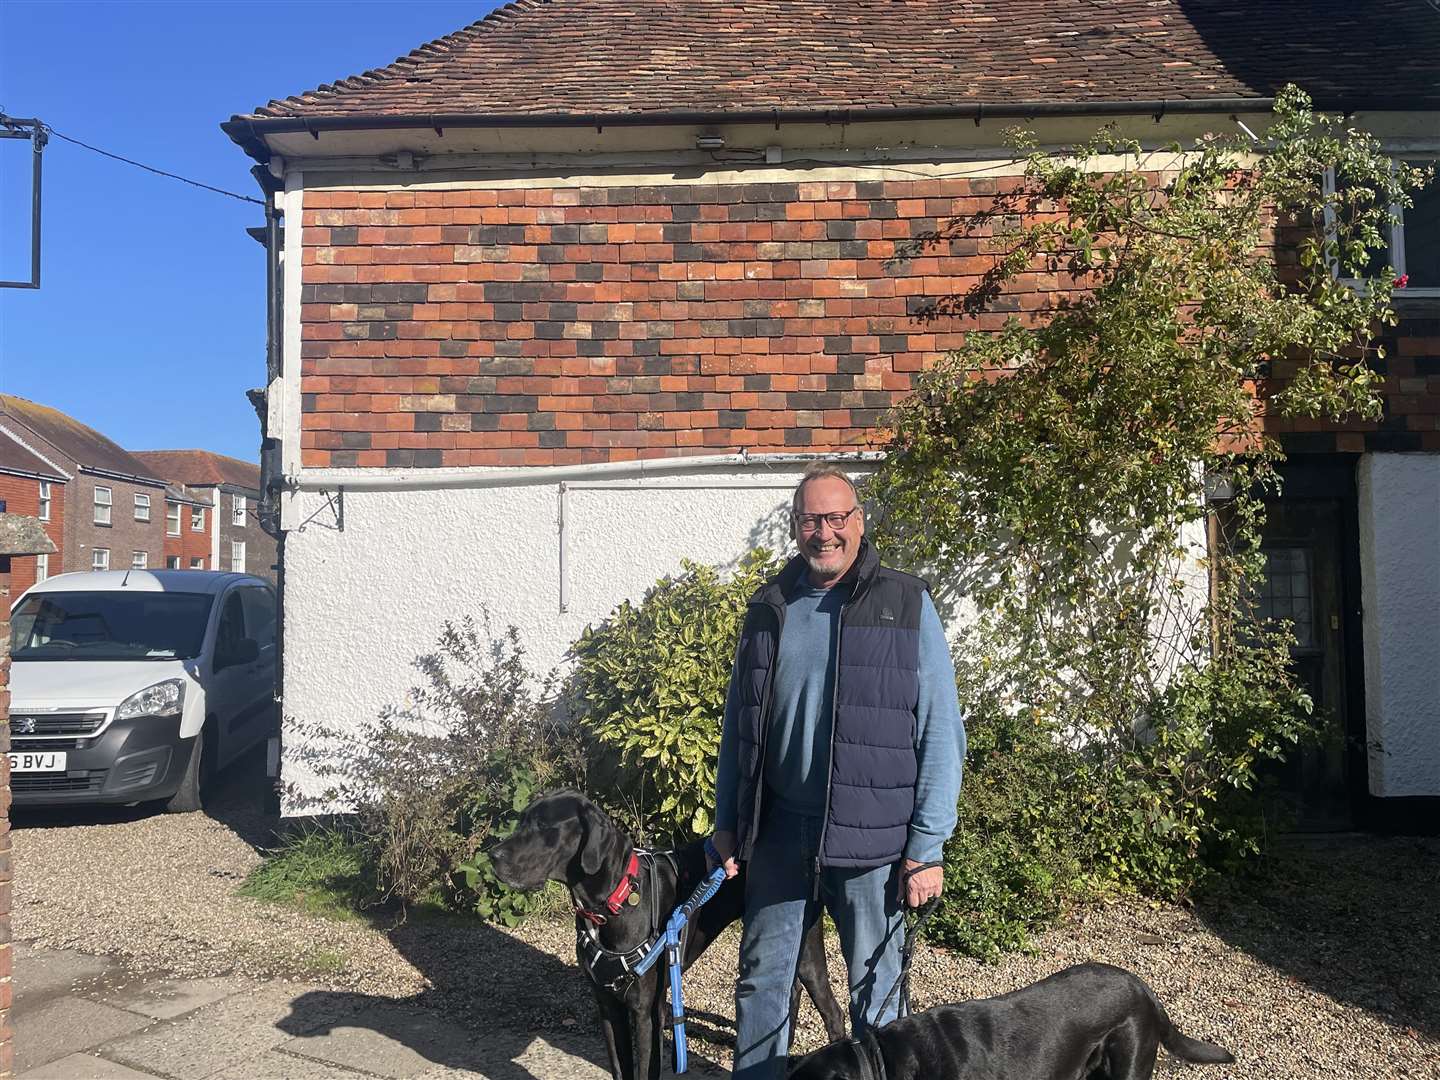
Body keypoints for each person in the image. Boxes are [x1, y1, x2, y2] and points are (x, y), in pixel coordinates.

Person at [708, 461, 966, 1079]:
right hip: (778, 831)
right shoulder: (770, 606)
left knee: (876, 999)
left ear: (858, 521)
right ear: (795, 526)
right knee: (763, 981)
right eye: (809, 519)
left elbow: (940, 731)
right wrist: (726, 821)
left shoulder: (906, 604)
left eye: (836, 518)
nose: (823, 532)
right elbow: (737, 728)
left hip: (871, 836)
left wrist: (926, 847)